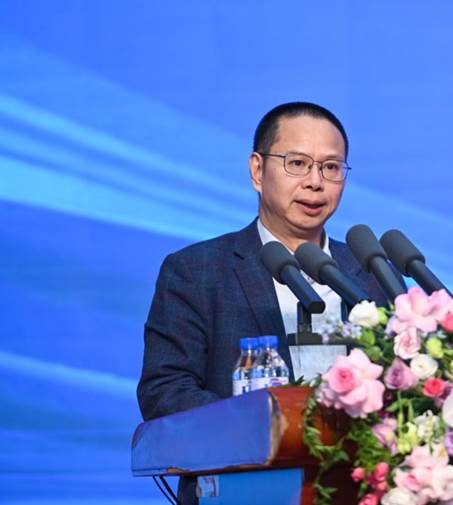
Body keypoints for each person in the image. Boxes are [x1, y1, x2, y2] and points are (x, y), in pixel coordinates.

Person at [136, 102, 390, 503]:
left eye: (331, 167)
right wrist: (265, 425)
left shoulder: (371, 273)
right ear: (257, 170)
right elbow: (164, 391)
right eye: (297, 164)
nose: (315, 182)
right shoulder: (197, 271)